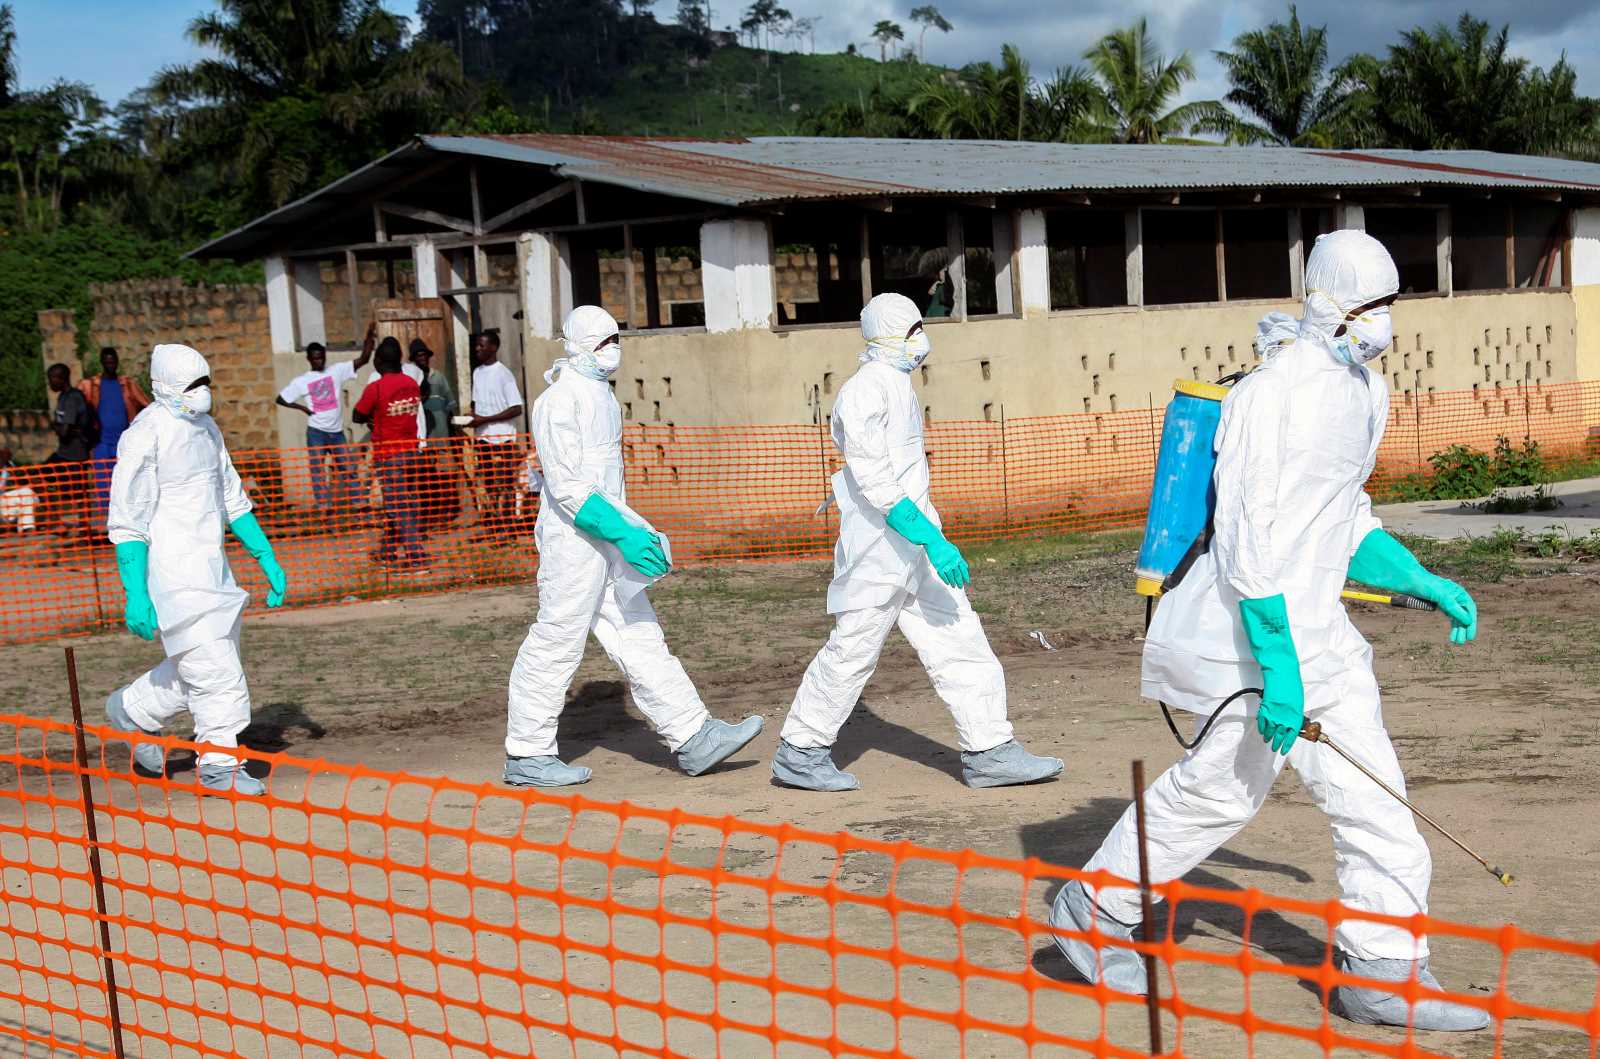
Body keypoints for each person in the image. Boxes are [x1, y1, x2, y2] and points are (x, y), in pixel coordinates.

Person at [1050, 231, 1488, 1032]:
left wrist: (1419, 578)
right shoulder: (1268, 396)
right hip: (1248, 638)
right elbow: (1249, 547)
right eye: (1371, 305)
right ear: (1330, 303)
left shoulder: (1366, 392)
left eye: (1391, 304)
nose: (1385, 320)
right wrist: (1280, 667)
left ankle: (1382, 971)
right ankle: (1093, 908)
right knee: (1220, 790)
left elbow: (1346, 518)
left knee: (1376, 799)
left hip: (1324, 638)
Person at [771, 293, 1062, 793]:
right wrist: (932, 540)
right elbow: (877, 483)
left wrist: (931, 539)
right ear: (886, 335)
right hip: (879, 550)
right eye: (912, 330)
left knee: (961, 637)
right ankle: (800, 751)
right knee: (854, 649)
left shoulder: (897, 384)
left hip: (918, 545)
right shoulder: (863, 392)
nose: (920, 340)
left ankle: (990, 750)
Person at [503, 305, 762, 787]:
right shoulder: (558, 401)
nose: (612, 349)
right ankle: (527, 752)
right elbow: (567, 486)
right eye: (601, 342)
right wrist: (622, 532)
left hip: (608, 538)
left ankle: (694, 735)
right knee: (557, 638)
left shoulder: (601, 395)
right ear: (577, 346)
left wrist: (629, 531)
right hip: (574, 541)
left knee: (639, 632)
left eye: (615, 339)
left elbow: (606, 482)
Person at [102, 343, 288, 796]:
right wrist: (135, 592)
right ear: (164, 387)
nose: (202, 391)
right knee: (217, 673)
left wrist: (266, 557)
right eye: (192, 384)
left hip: (214, 575)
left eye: (206, 382)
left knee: (197, 668)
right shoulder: (145, 435)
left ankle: (133, 710)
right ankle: (219, 766)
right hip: (174, 577)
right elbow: (128, 520)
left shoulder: (208, 429)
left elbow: (232, 498)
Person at [354, 338, 429, 570]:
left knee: (397, 505)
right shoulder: (411, 383)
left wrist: (374, 417)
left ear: (378, 361)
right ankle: (387, 551)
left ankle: (416, 555)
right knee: (400, 503)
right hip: (412, 452)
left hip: (389, 454)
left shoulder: (376, 387)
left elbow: (357, 415)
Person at [276, 331, 372, 513]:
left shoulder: (336, 371)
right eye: (315, 359)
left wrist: (369, 337)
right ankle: (324, 506)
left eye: (321, 358)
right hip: (316, 432)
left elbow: (364, 359)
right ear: (309, 359)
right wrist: (303, 408)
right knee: (318, 471)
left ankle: (359, 503)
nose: (319, 361)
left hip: (336, 432)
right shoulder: (302, 381)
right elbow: (281, 399)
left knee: (348, 467)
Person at [468, 329, 524, 537]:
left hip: (502, 439)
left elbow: (516, 408)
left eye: (481, 345)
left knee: (505, 484)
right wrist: (472, 417)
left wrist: (485, 419)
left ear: (493, 347)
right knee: (489, 484)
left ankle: (508, 527)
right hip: (483, 438)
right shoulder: (477, 372)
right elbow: (477, 403)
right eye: (476, 345)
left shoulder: (503, 374)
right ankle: (495, 526)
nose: (477, 349)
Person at [80, 347, 150, 513]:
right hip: (101, 443)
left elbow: (146, 405)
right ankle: (106, 519)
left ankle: (128, 515)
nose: (110, 364)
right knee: (103, 484)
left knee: (126, 481)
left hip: (123, 442)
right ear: (102, 362)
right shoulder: (92, 385)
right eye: (107, 362)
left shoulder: (127, 384)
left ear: (117, 362)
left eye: (113, 361)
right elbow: (79, 406)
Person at [45, 363, 95, 532]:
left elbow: (64, 431)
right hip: (63, 452)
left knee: (80, 492)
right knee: (41, 476)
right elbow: (66, 428)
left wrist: (55, 425)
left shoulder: (73, 398)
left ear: (61, 378)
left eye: (51, 379)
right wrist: (61, 427)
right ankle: (56, 520)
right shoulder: (62, 397)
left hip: (76, 454)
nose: (50, 383)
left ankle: (84, 530)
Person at [411, 339, 457, 440]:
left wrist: (450, 424)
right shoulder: (411, 379)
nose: (423, 358)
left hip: (441, 429)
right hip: (422, 429)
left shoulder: (438, 377)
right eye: (419, 355)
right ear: (414, 359)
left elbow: (450, 402)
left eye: (424, 355)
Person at [0, 448, 36, 533]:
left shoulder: (9, 467)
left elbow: (22, 481)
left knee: (27, 492)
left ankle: (26, 528)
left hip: (5, 505)